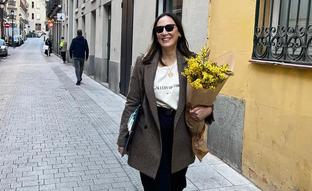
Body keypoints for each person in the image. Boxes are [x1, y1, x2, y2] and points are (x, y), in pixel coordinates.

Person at [117, 13, 214, 191]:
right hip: (149, 132)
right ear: (155, 34)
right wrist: (123, 136)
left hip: (179, 133)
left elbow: (204, 97)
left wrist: (207, 111)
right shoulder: (144, 63)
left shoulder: (192, 63)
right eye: (159, 29)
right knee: (154, 184)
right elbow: (132, 102)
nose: (164, 32)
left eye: (169, 27)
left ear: (179, 32)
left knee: (176, 184)